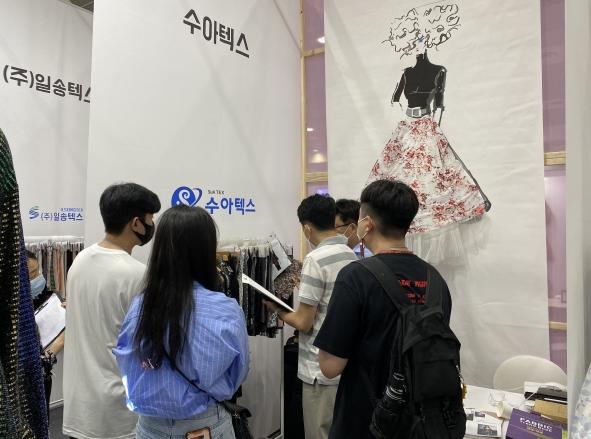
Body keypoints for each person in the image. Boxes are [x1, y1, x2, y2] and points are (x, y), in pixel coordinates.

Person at [314, 180, 453, 439]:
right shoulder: (436, 281)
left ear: (367, 224)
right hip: (419, 425)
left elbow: (330, 367)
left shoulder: (355, 277)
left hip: (364, 424)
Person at [114, 205, 249, 439]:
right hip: (208, 426)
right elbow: (239, 372)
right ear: (206, 250)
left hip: (150, 428)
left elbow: (126, 364)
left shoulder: (141, 307)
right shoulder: (226, 310)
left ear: (160, 250)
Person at [62, 183, 161, 439]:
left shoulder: (79, 261)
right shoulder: (137, 275)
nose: (152, 225)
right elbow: (147, 343)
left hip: (78, 406)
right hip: (117, 412)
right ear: (136, 223)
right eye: (150, 218)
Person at [266, 194, 357, 439]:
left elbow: (304, 323)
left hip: (319, 368)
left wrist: (276, 308)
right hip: (345, 365)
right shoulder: (350, 254)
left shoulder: (315, 259)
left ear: (307, 228)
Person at [26, 250, 64, 420]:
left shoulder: (47, 295)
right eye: (31, 274)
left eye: (37, 271)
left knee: (42, 419)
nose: (37, 278)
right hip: (21, 378)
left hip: (42, 373)